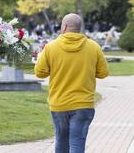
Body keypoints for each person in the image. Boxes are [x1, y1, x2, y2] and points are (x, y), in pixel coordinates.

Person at [34, 13, 109, 153]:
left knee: (61, 143)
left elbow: (40, 73)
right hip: (83, 104)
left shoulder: (51, 47)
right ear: (79, 28)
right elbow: (103, 73)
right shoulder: (93, 47)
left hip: (59, 104)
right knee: (77, 143)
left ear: (64, 27)